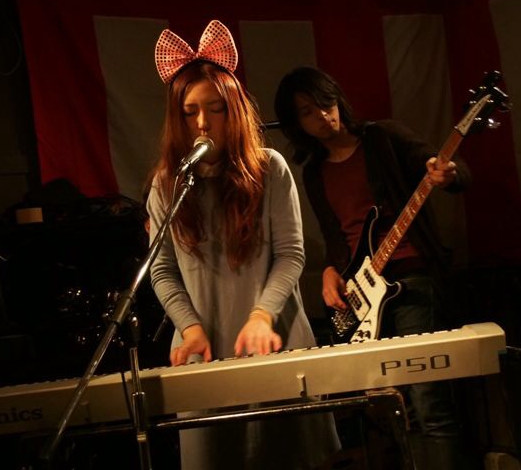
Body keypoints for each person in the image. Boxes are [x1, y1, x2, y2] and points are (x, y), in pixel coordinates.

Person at [147, 23, 340, 469]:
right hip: (203, 349)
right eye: (190, 112)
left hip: (274, 337)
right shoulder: (166, 184)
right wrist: (188, 326)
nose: (202, 122)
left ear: (233, 111)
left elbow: (291, 254)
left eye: (215, 109)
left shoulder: (269, 168)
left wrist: (261, 315)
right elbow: (162, 269)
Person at [274, 66, 474, 469]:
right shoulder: (313, 173)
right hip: (366, 295)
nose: (323, 115)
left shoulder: (383, 137)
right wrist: (330, 271)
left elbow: (450, 170)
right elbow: (336, 238)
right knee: (401, 407)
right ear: (297, 124)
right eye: (308, 112)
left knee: (429, 401)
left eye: (325, 103)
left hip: (413, 278)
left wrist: (447, 172)